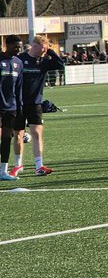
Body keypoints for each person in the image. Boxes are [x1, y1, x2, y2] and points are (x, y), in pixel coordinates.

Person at [11, 35, 64, 177]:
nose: (44, 51)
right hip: (19, 103)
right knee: (18, 135)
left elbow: (60, 65)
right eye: (42, 48)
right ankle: (18, 165)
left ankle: (39, 165)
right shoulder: (19, 59)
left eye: (45, 49)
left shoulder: (44, 62)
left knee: (37, 133)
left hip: (35, 103)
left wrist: (51, 51)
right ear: (34, 46)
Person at [0, 35, 24, 181]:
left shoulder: (18, 63)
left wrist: (19, 106)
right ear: (6, 45)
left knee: (7, 138)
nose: (19, 49)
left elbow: (19, 87)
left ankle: (3, 171)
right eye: (16, 46)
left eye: (20, 46)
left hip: (11, 107)